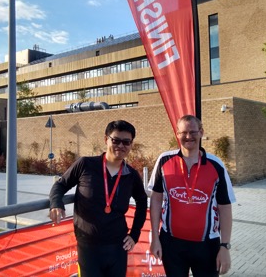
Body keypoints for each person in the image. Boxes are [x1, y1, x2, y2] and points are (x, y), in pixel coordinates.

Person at [49, 120, 148, 277]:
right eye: (116, 140)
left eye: (126, 142)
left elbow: (142, 202)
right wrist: (56, 203)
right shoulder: (85, 164)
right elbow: (60, 185)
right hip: (88, 246)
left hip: (118, 246)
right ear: (106, 139)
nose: (121, 146)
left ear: (131, 144)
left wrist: (135, 234)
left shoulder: (131, 174)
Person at [148, 115, 236, 276]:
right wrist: (155, 237)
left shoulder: (216, 165)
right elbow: (155, 200)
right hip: (171, 243)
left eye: (193, 132)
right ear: (177, 134)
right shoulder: (164, 160)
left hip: (207, 245)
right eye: (184, 132)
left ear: (201, 132)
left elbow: (225, 207)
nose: (188, 136)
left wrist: (225, 246)